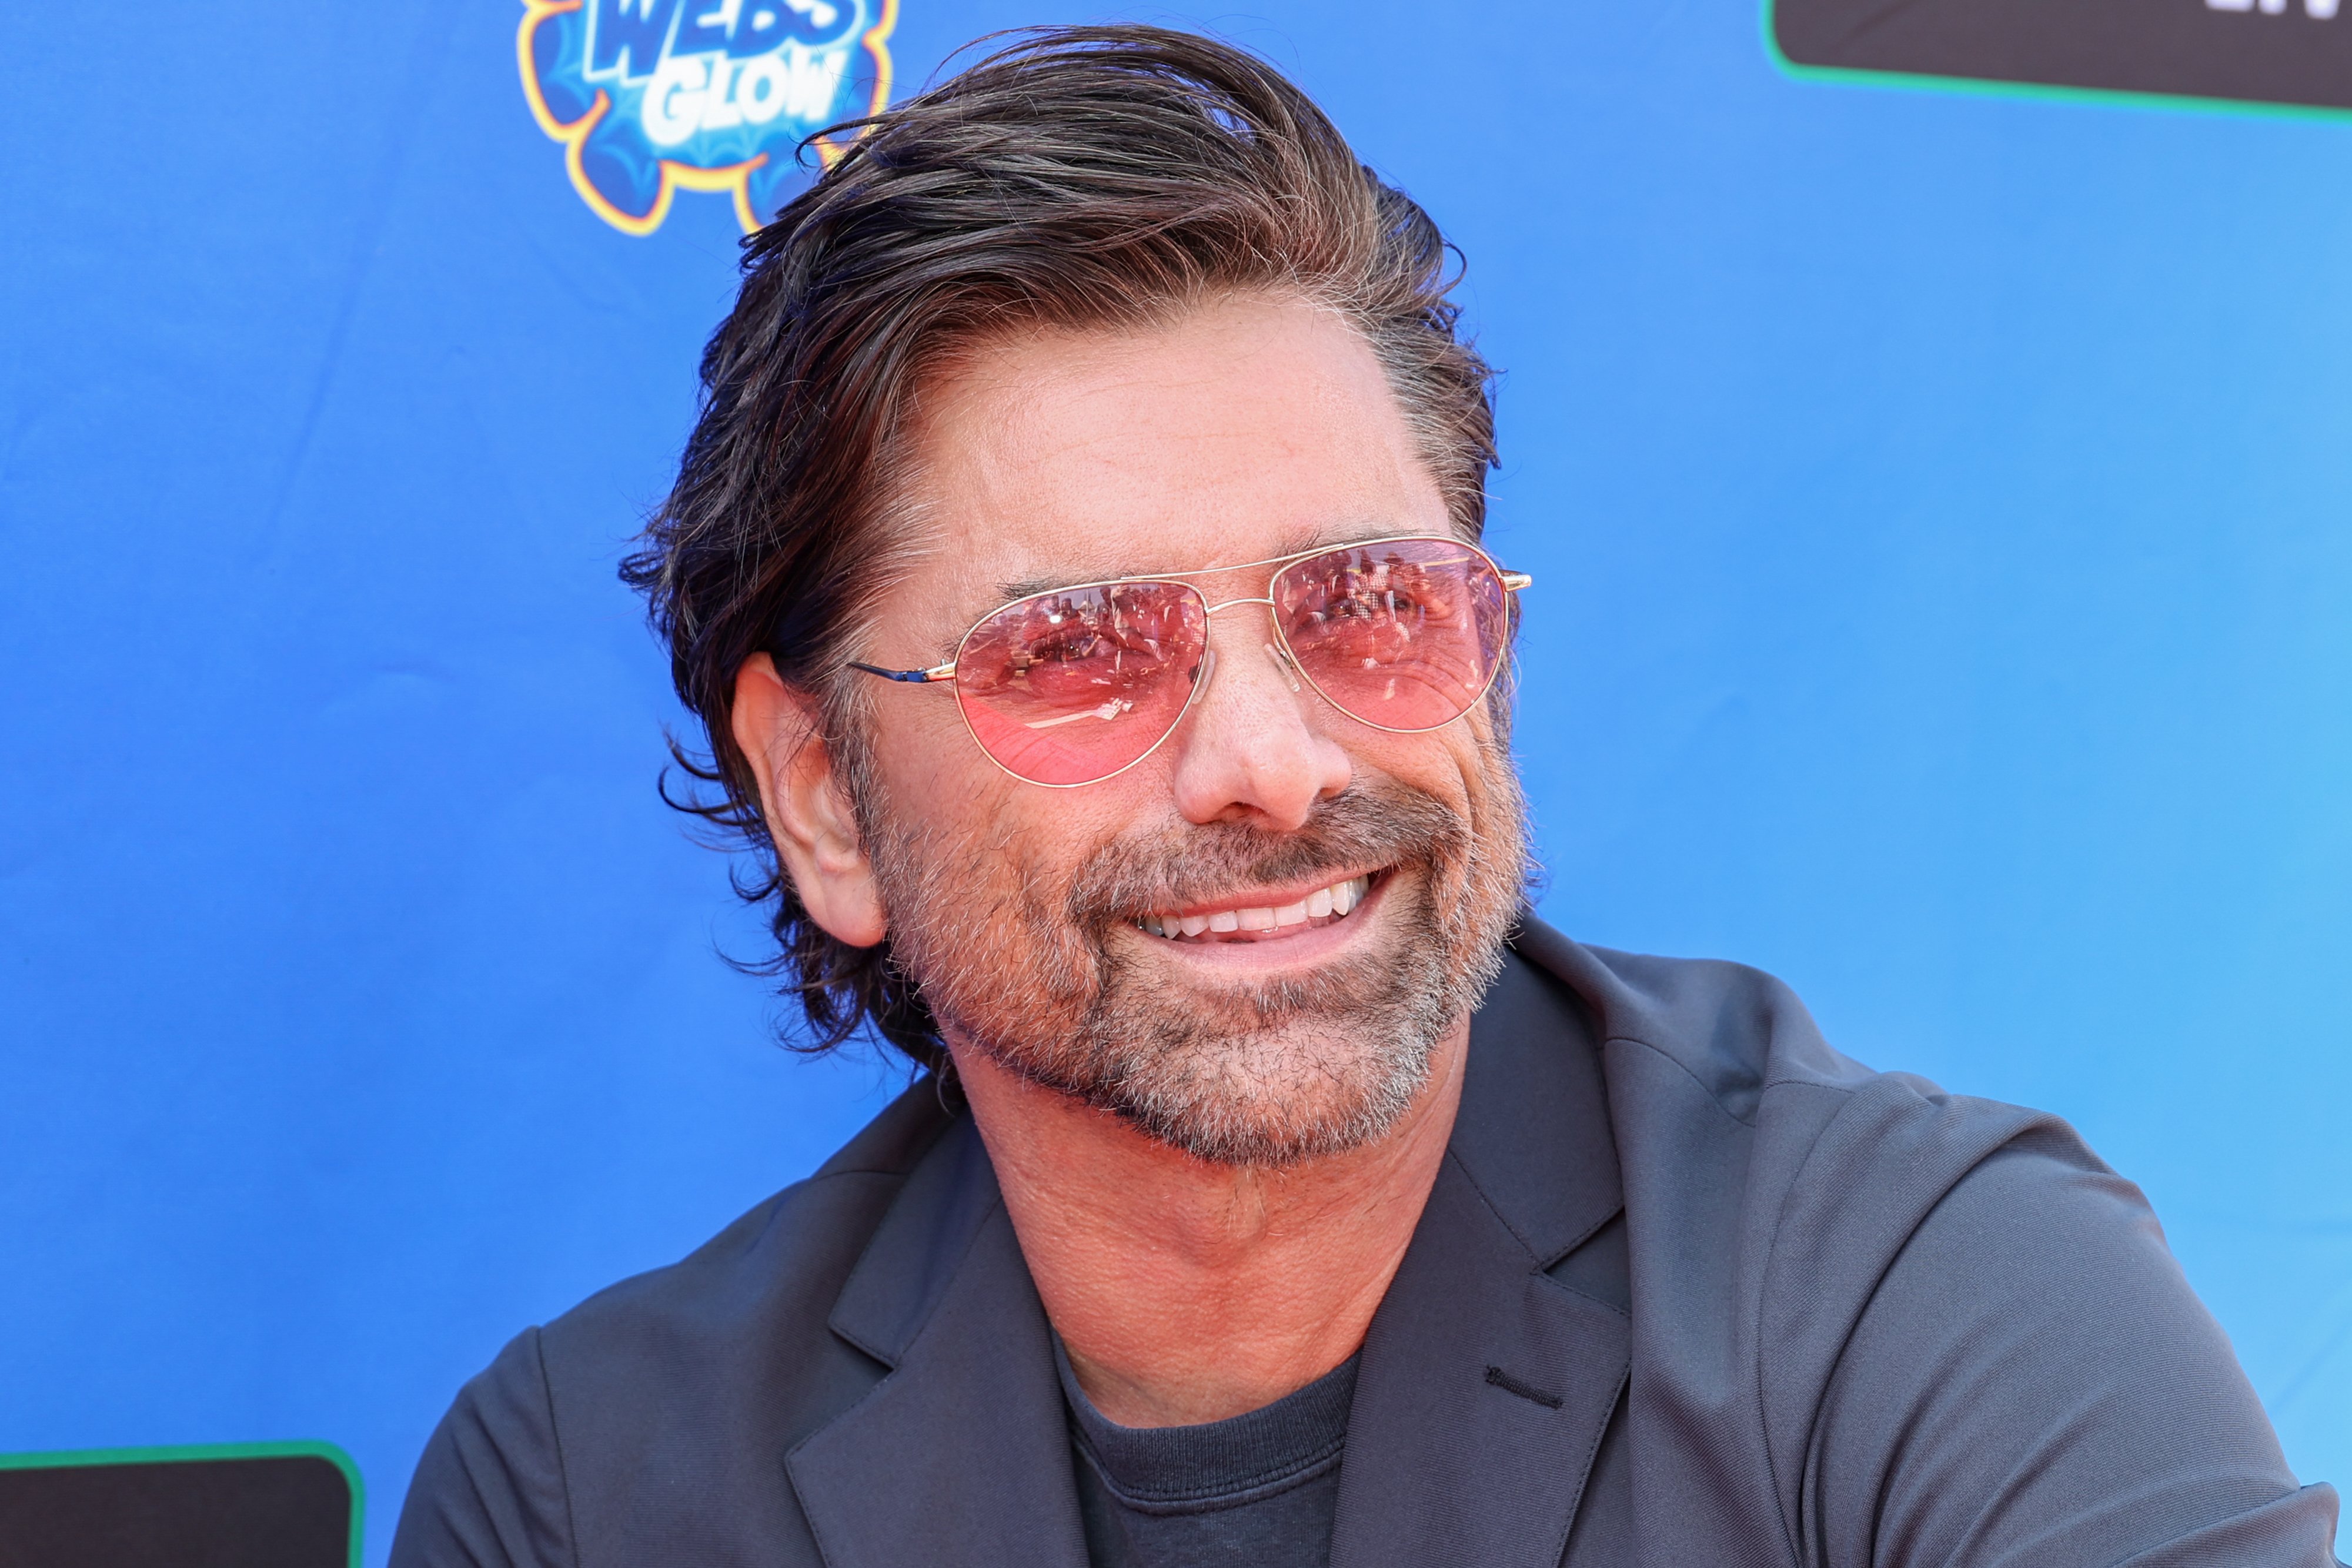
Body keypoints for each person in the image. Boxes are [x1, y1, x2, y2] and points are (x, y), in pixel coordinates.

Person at [389, 26, 2341, 1568]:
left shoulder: (1925, 1309)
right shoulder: (594, 1492)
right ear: (819, 795)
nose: (1276, 761)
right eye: (1076, 649)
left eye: (1366, 606)